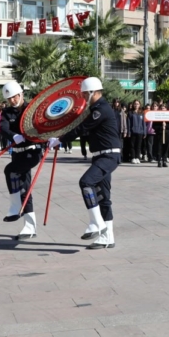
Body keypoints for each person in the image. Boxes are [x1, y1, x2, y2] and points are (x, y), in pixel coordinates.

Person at [48, 77, 121, 249]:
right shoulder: (96, 109)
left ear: (92, 92)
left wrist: (60, 140)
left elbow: (82, 129)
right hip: (101, 156)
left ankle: (97, 224)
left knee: (86, 182)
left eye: (84, 94)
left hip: (108, 156)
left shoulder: (100, 109)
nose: (82, 97)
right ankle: (108, 237)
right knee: (104, 197)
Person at [0, 81, 43, 240]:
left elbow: (41, 125)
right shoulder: (6, 112)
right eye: (9, 98)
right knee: (25, 188)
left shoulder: (32, 109)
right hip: (17, 153)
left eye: (14, 96)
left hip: (32, 152)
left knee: (9, 170)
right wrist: (13, 136)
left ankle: (15, 206)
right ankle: (30, 227)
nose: (12, 100)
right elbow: (3, 128)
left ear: (21, 94)